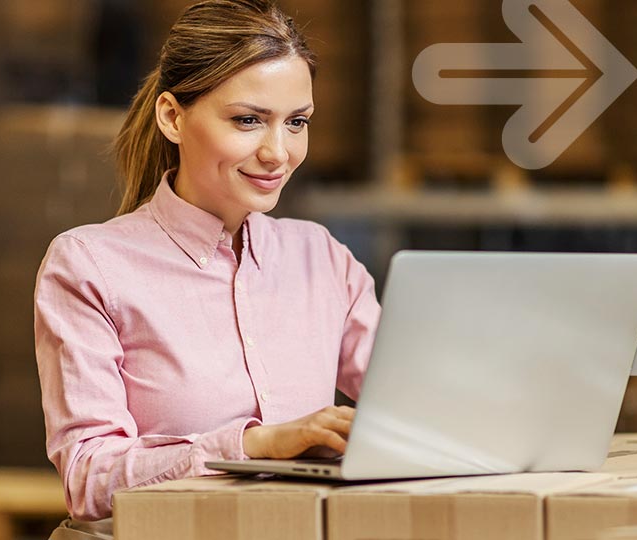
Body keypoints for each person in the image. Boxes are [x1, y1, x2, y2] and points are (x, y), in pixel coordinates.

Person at [33, 0, 380, 535]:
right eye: (248, 121)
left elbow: (412, 406)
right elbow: (89, 480)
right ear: (172, 116)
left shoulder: (323, 258)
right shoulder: (89, 266)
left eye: (296, 123)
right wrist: (253, 445)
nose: (277, 152)